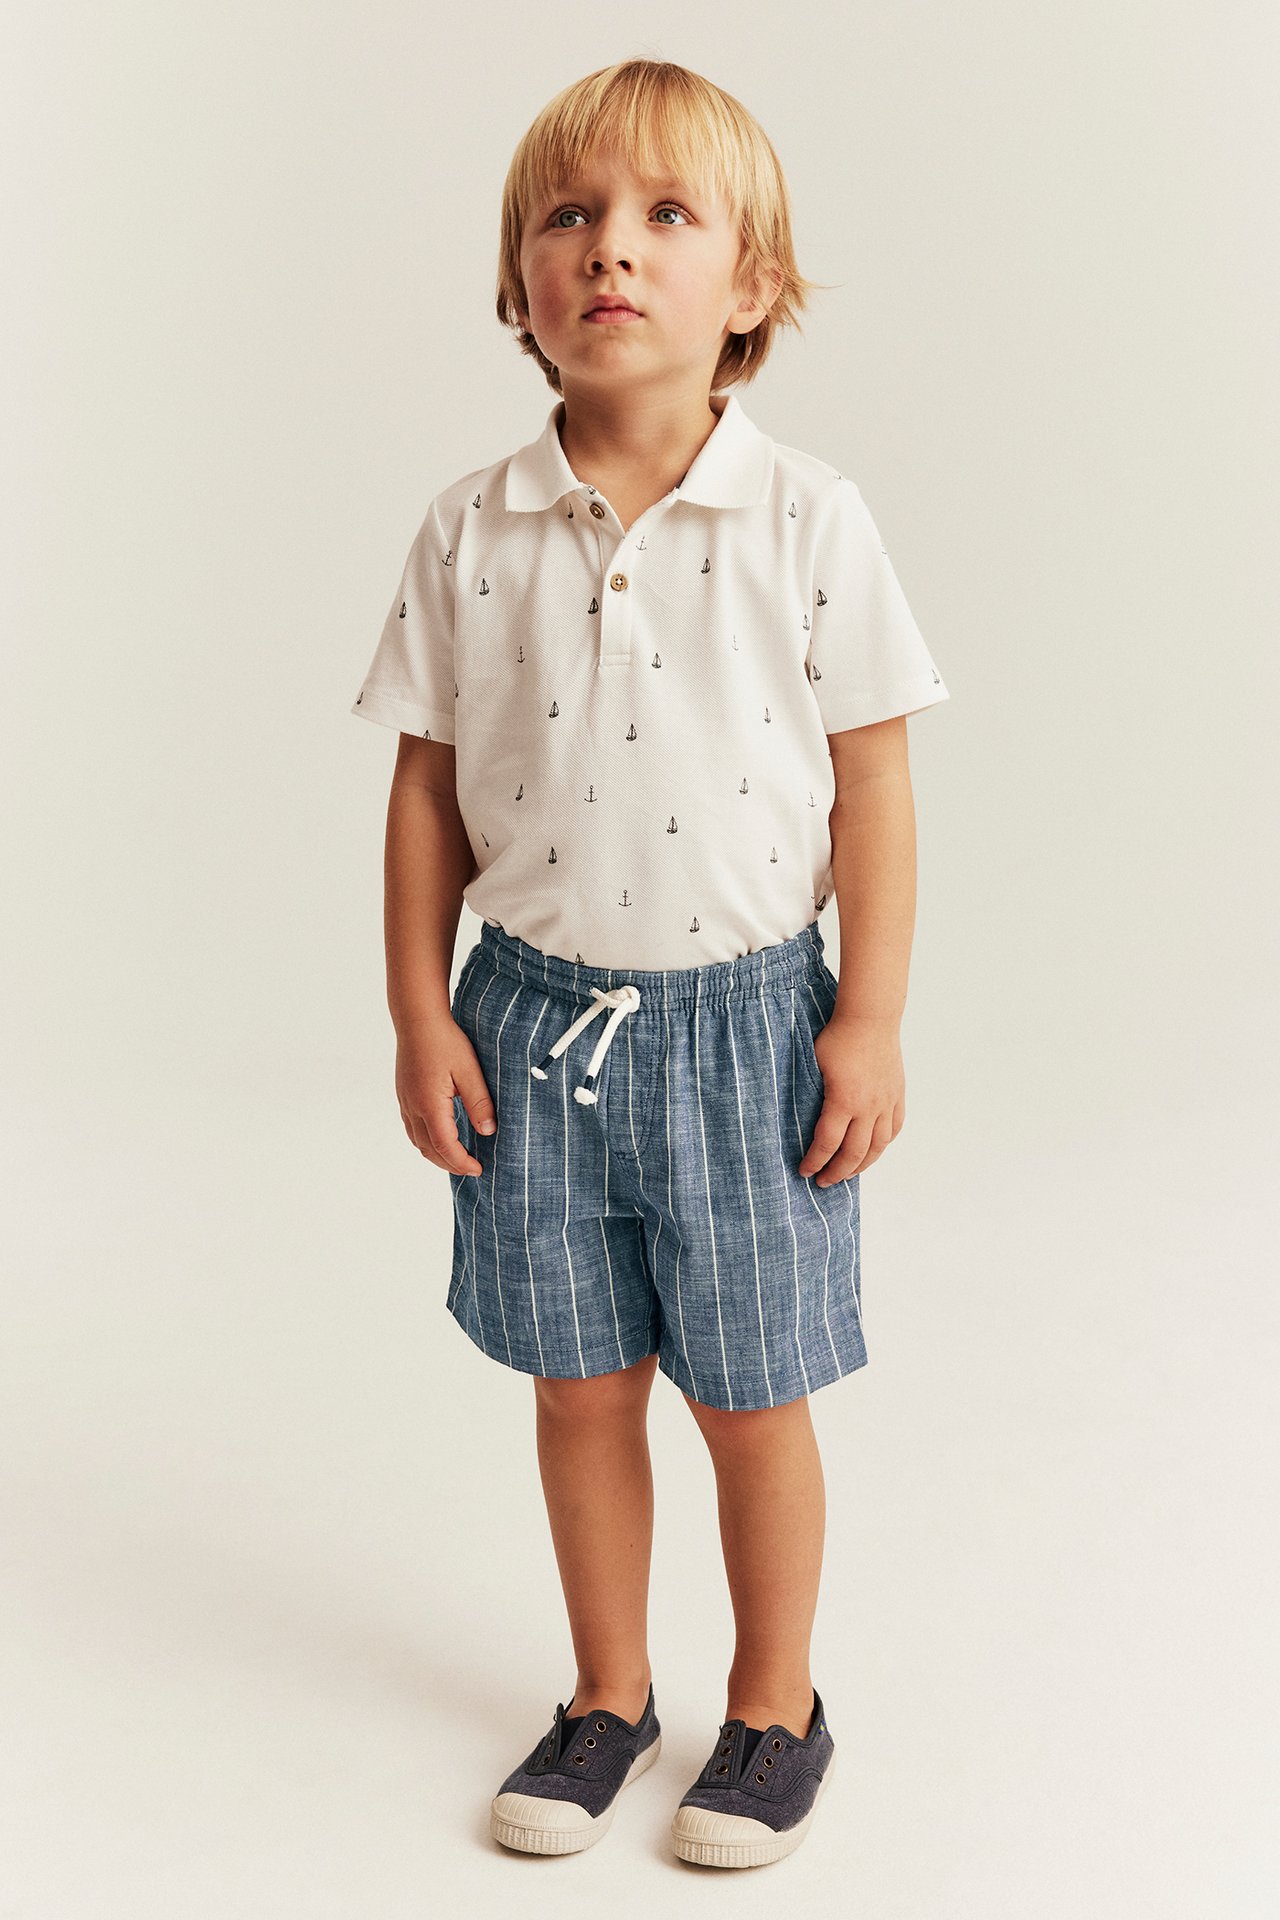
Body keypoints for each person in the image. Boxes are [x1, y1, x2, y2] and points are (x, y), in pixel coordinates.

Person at [350, 57, 949, 1870]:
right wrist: (414, 1012)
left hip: (750, 1030)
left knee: (750, 1393)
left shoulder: (805, 521)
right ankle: (607, 1691)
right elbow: (426, 791)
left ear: (749, 287)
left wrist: (871, 1016)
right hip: (530, 1028)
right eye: (569, 217)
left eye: (669, 219)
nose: (613, 251)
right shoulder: (473, 529)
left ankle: (774, 1705)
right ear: (523, 285)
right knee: (581, 1384)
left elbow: (874, 779)